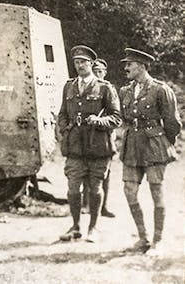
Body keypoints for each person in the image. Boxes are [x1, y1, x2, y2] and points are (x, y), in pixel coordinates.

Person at [118, 48, 181, 255]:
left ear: (142, 66)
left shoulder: (160, 90)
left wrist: (164, 143)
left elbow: (172, 123)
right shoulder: (125, 91)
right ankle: (143, 237)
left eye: (130, 64)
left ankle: (158, 240)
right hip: (132, 146)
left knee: (156, 191)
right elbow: (126, 119)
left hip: (154, 146)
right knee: (129, 191)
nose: (126, 68)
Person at [56, 45, 121, 242]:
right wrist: (65, 128)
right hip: (75, 147)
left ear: (91, 64)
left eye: (83, 62)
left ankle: (93, 228)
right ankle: (75, 226)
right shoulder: (69, 86)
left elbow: (117, 118)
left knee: (95, 188)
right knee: (73, 188)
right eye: (76, 62)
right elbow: (62, 114)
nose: (79, 65)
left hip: (98, 146)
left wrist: (99, 121)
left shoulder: (105, 88)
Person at [89, 58, 115, 218]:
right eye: (95, 71)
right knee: (86, 170)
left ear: (105, 73)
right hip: (88, 137)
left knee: (106, 174)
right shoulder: (86, 89)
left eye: (100, 71)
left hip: (105, 136)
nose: (98, 74)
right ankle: (87, 205)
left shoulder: (109, 89)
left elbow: (117, 115)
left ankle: (104, 206)